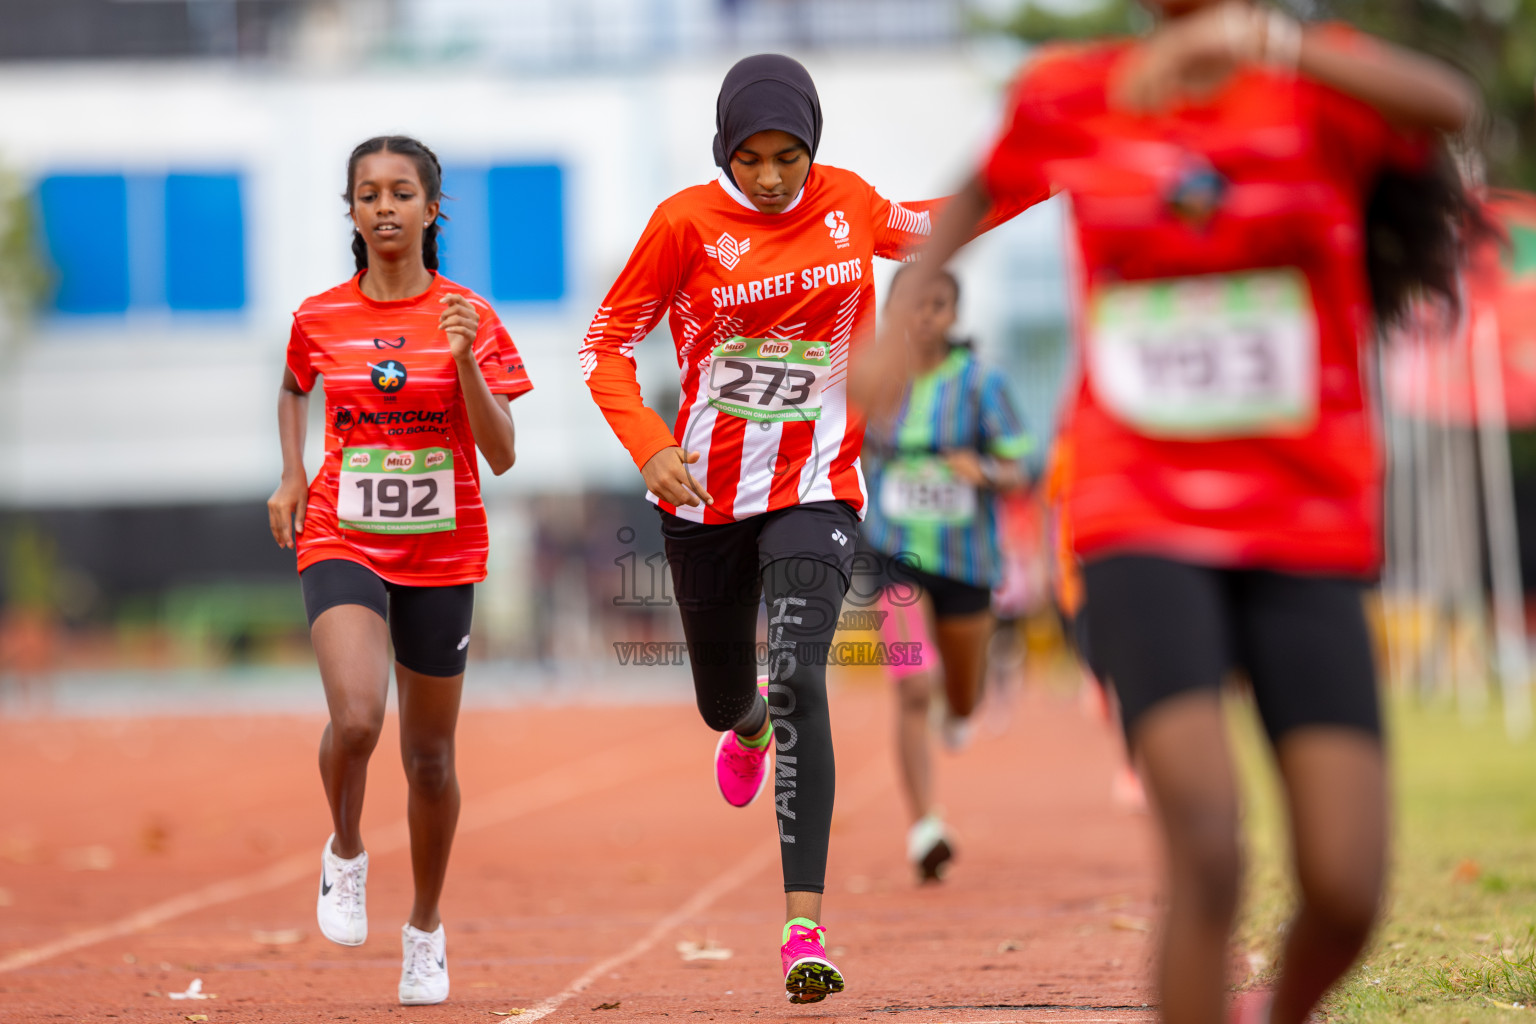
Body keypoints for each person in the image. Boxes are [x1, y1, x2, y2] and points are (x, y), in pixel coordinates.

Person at [854, 7, 1479, 1022]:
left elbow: (1448, 105)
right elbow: (970, 197)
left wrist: (1263, 45)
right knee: (1207, 843)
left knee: (1347, 882)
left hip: (1304, 514)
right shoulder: (1075, 92)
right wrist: (897, 322)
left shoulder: (1323, 81)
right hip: (1136, 505)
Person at [578, 53, 1046, 1003]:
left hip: (818, 492)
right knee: (730, 699)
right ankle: (740, 725)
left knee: (798, 676)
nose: (772, 178)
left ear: (812, 146)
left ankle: (802, 930)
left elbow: (948, 223)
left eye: (788, 155)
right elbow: (607, 345)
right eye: (750, 160)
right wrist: (647, 444)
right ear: (726, 154)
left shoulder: (849, 204)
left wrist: (1051, 169)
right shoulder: (682, 225)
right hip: (702, 498)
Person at [266, 135, 531, 1007]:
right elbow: (295, 384)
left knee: (428, 758)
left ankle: (424, 928)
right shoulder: (319, 317)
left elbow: (501, 455)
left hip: (441, 547)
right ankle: (345, 851)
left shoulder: (472, 317)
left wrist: (461, 362)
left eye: (402, 193)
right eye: (368, 193)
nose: (385, 207)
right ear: (351, 211)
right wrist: (292, 471)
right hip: (342, 530)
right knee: (355, 720)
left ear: (431, 210)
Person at [855, 265, 1031, 882]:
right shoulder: (874, 380)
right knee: (911, 685)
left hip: (967, 561)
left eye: (937, 305)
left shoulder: (983, 384)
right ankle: (924, 824)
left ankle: (960, 712)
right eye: (912, 305)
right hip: (895, 556)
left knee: (961, 695)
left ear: (954, 314)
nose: (924, 316)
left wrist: (984, 471)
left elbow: (1019, 467)